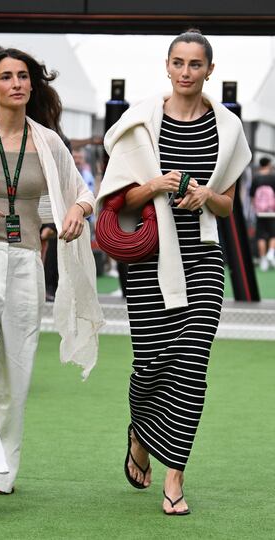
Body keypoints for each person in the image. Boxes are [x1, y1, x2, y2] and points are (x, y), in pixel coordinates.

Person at [0, 47, 103, 510]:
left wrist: (74, 211)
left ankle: (3, 466)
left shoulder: (48, 142)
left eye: (23, 76)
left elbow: (83, 193)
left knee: (18, 368)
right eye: (6, 76)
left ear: (32, 85)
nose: (16, 83)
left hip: (26, 260)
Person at [96, 29, 251, 515]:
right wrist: (157, 185)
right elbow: (118, 199)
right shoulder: (139, 123)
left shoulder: (227, 128)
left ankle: (174, 476)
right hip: (149, 257)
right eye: (178, 63)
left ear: (210, 69)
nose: (186, 72)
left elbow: (227, 207)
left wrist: (207, 195)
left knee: (191, 362)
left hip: (203, 256)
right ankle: (139, 434)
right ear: (167, 67)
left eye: (195, 64)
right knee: (150, 365)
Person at [250, 156, 275, 271]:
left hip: (259, 212)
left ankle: (263, 260)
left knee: (260, 236)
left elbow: (252, 196)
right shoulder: (273, 177)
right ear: (268, 164)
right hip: (272, 211)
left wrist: (255, 209)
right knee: (273, 234)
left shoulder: (256, 178)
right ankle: (271, 253)